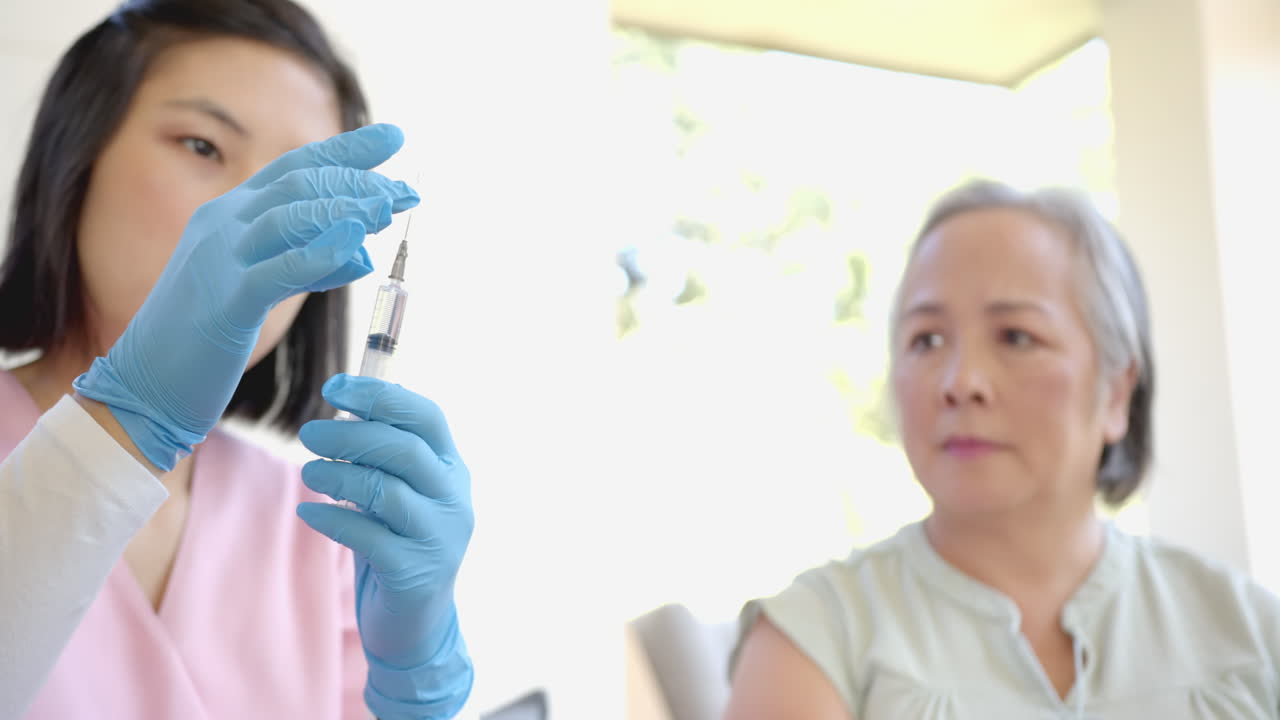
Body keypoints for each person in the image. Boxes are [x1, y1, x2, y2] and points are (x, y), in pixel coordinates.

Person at [0, 2, 473, 718]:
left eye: (296, 183)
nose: (256, 213)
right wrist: (124, 423)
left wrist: (417, 687)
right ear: (74, 160)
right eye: (202, 146)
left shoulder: (321, 522)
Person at [724, 180, 1280, 719]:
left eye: (1016, 337)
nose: (960, 382)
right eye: (927, 340)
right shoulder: (815, 636)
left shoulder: (1250, 630)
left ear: (1116, 392)